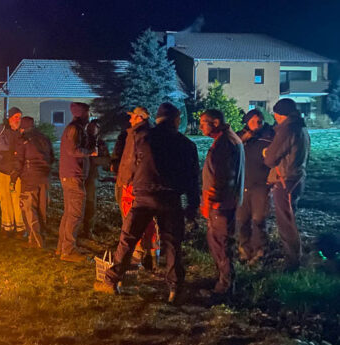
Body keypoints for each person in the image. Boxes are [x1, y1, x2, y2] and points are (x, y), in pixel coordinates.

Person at [97, 103, 200, 304]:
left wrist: (126, 183)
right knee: (172, 244)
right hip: (170, 199)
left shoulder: (142, 138)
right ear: (176, 120)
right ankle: (175, 289)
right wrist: (192, 206)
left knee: (128, 239)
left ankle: (111, 280)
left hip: (143, 197)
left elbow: (128, 165)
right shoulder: (186, 144)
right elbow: (192, 178)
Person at [199, 109, 245, 298]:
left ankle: (224, 287)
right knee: (221, 242)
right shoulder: (230, 139)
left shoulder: (224, 145)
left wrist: (212, 201)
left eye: (204, 122)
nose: (201, 126)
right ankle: (224, 280)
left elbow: (223, 177)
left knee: (220, 244)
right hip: (228, 202)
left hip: (221, 205)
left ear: (215, 122)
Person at [263, 98, 311, 271]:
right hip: (297, 178)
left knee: (286, 222)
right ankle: (293, 256)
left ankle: (292, 262)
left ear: (278, 114)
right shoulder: (301, 128)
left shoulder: (287, 129)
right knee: (289, 218)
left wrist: (266, 151)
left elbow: (270, 159)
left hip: (285, 181)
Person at [115, 107, 160, 268]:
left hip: (133, 185)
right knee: (148, 220)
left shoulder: (137, 135)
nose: (130, 120)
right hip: (141, 184)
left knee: (133, 220)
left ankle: (138, 254)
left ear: (140, 118)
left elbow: (132, 162)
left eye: (133, 117)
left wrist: (126, 180)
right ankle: (152, 253)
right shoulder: (148, 134)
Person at [236, 109, 275, 265]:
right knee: (241, 219)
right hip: (243, 184)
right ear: (247, 122)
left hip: (262, 185)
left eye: (259, 121)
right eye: (253, 121)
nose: (257, 124)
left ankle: (259, 252)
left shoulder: (270, 137)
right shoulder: (241, 137)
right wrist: (243, 139)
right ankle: (244, 251)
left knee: (258, 220)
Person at [11, 116, 54, 248]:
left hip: (30, 179)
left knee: (29, 209)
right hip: (44, 178)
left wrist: (13, 179)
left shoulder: (23, 140)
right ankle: (42, 236)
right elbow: (52, 157)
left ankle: (35, 240)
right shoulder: (44, 138)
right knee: (42, 209)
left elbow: (19, 162)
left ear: (22, 128)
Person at [57, 102, 91, 262]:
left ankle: (61, 247)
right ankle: (68, 251)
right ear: (82, 114)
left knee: (69, 213)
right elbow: (73, 150)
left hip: (68, 176)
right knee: (75, 214)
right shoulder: (74, 129)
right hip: (73, 177)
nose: (89, 117)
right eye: (88, 113)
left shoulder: (73, 128)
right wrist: (91, 152)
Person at [0, 107, 24, 238]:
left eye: (19, 117)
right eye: (15, 117)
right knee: (4, 198)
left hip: (17, 172)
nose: (18, 120)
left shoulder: (22, 132)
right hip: (2, 170)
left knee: (17, 199)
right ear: (9, 118)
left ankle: (20, 228)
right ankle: (7, 227)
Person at [79, 119, 100, 242]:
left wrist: (95, 160)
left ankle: (88, 229)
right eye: (90, 127)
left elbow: (105, 159)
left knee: (90, 203)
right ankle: (79, 228)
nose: (92, 129)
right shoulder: (83, 141)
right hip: (82, 175)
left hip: (92, 176)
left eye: (95, 127)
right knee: (80, 203)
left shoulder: (99, 143)